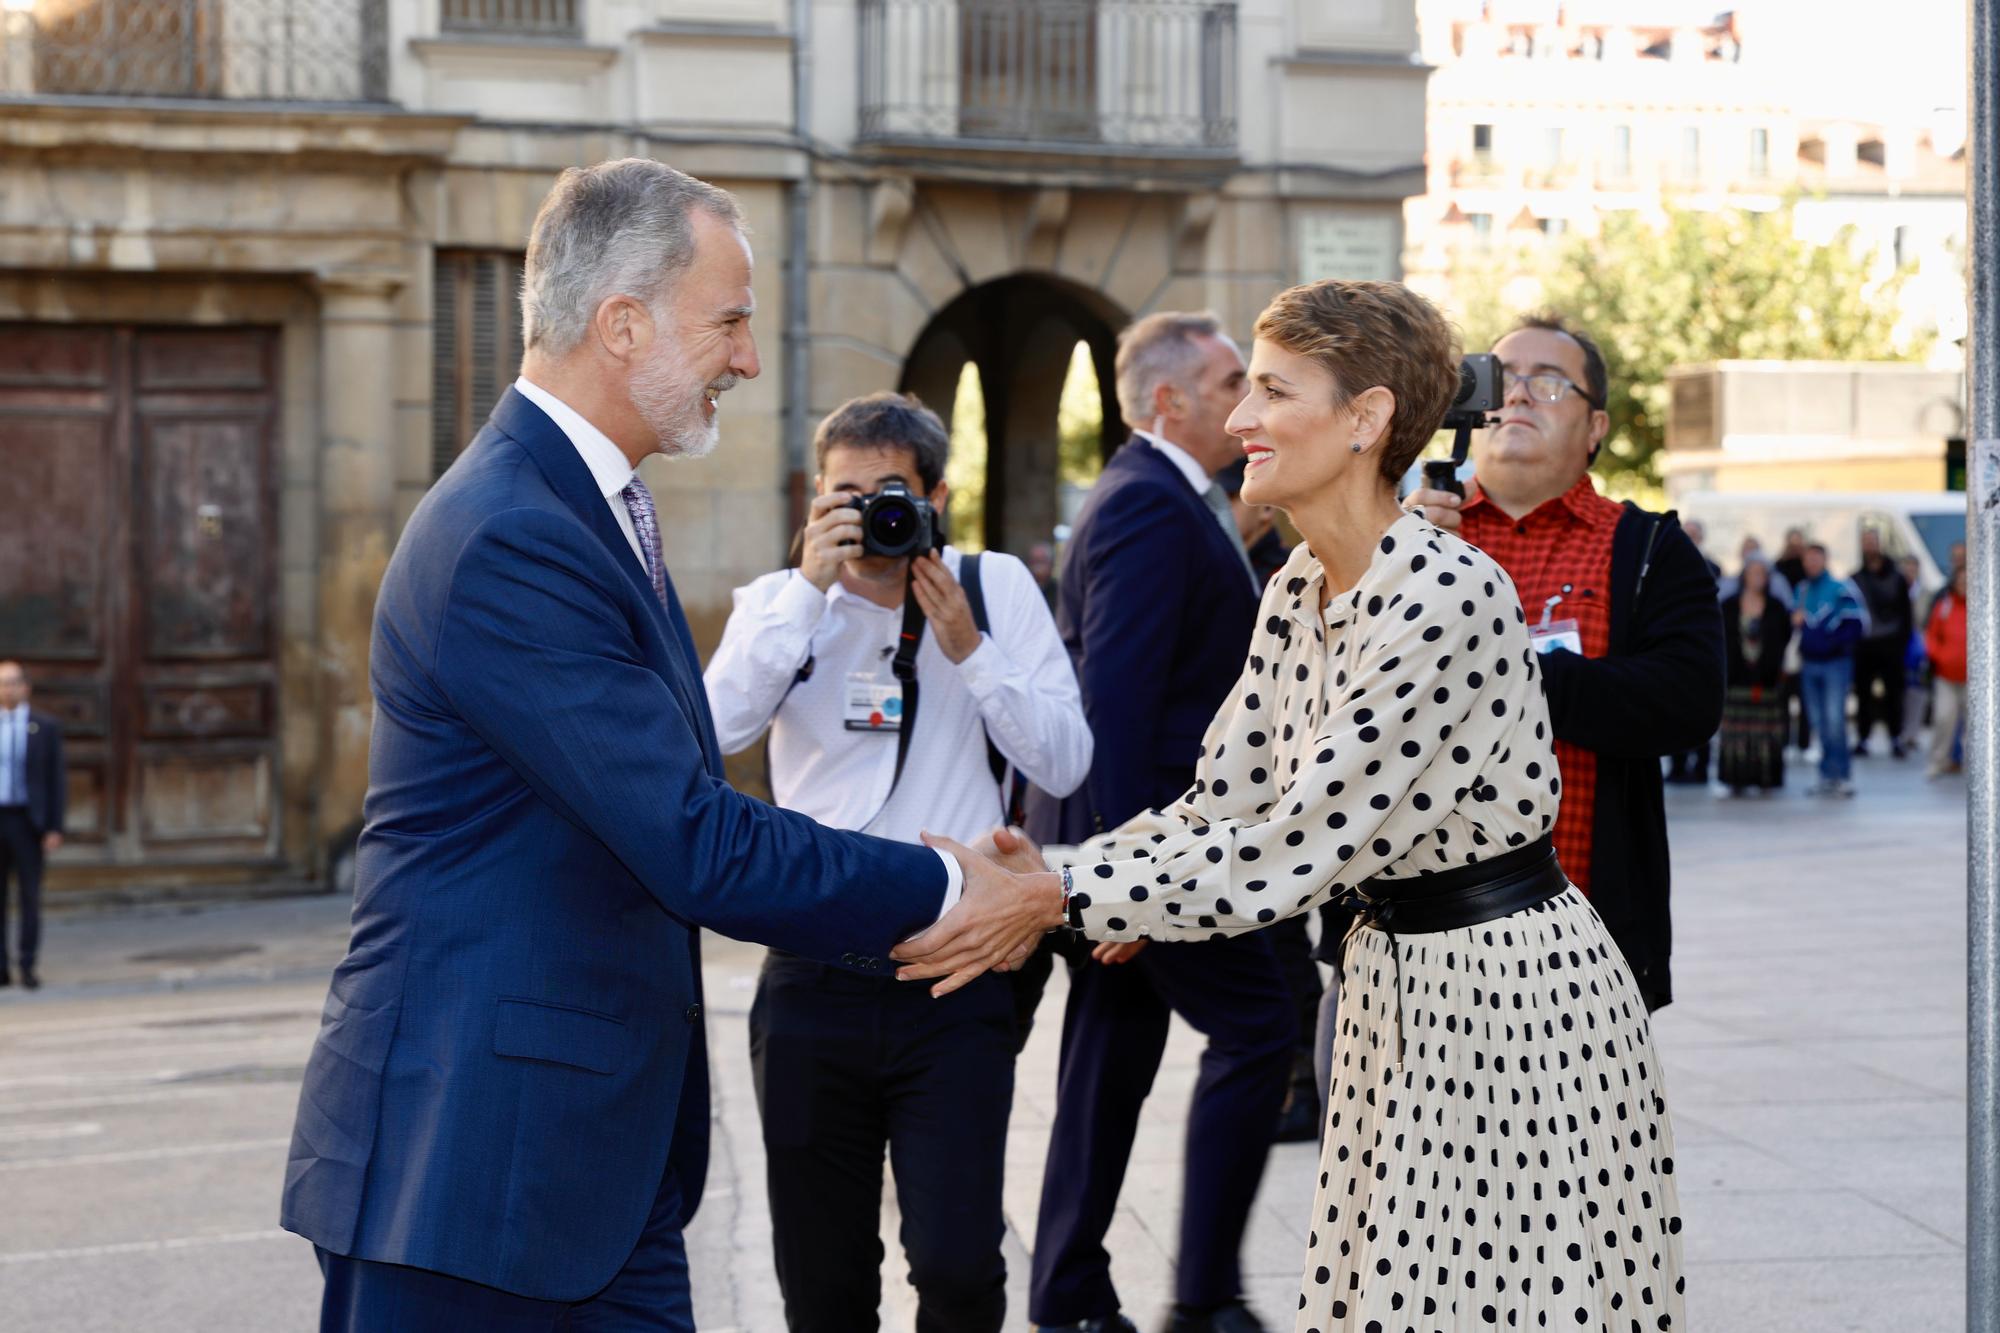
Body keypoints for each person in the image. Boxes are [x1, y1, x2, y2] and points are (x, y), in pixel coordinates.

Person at [279, 160, 1052, 1333]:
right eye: (730, 319)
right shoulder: (512, 536)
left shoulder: (582, 507)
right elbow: (694, 836)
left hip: (584, 1163)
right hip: (473, 1172)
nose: (747, 357)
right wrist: (953, 880)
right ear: (622, 322)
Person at [899, 278, 1686, 1332]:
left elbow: (1288, 848)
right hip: (1389, 985)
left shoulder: (1446, 594)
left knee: (1488, 1304)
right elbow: (1222, 801)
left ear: (1364, 420)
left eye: (1271, 390)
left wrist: (1058, 891)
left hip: (1503, 1000)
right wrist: (1063, 873)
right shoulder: (1294, 586)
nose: (1236, 419)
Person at [703, 392, 1092, 1333]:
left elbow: (1066, 761)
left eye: (890, 494)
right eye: (846, 493)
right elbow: (711, 729)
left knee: (960, 1267)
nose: (871, 514)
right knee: (823, 1281)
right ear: (815, 502)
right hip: (812, 980)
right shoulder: (780, 604)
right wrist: (807, 591)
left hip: (955, 978)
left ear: (936, 497)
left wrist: (969, 650)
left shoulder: (994, 588)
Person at [1021, 311, 1294, 1333]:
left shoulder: (1175, 499)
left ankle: (1067, 1295)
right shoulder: (1144, 504)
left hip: (1142, 842)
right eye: (1233, 383)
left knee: (1109, 1061)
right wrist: (1123, 881)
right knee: (1259, 1025)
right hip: (1150, 841)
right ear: (1168, 401)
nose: (1250, 401)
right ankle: (1204, 1298)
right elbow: (1118, 707)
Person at [1402, 311, 1724, 1012]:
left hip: (1581, 945)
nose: (1516, 396)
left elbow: (1687, 699)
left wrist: (1506, 675)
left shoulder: (1647, 551)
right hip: (1407, 942)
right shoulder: (1407, 538)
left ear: (1597, 428)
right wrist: (1394, 562)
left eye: (1547, 382)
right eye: (1502, 378)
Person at [1218, 455, 1321, 1142]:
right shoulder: (1276, 573)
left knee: (1284, 951)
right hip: (1253, 790)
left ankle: (1306, 1086)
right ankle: (1301, 1084)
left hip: (1288, 801)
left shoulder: (1278, 568)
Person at [0, 661, 64, 990]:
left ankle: (27, 964)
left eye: (12, 683)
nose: (7, 689)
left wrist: (54, 827)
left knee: (29, 896)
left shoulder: (44, 726)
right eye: (2, 683)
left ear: (25, 687)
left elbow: (56, 779)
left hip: (27, 821)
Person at [1794, 542, 1869, 797]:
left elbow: (1857, 624)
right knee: (1818, 722)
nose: (1812, 563)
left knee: (1835, 720)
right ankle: (1826, 775)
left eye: (1816, 558)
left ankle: (1841, 775)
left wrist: (1829, 644)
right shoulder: (1802, 590)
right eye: (1808, 559)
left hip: (1835, 664)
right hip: (1809, 665)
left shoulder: (1841, 589)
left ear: (1825, 560)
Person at [1717, 558, 1792, 794]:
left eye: (1762, 573)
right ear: (1744, 576)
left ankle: (1765, 778)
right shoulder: (1729, 605)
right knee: (1736, 732)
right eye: (1753, 573)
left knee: (1766, 732)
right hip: (1736, 679)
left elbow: (1784, 637)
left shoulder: (1776, 607)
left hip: (1766, 680)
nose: (1757, 577)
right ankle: (1736, 778)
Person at [1850, 529, 1914, 758]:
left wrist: (1901, 644)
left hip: (1890, 645)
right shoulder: (1856, 578)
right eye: (1865, 542)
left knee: (1894, 694)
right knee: (1863, 695)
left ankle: (1896, 737)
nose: (1869, 547)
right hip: (1865, 646)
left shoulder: (1896, 578)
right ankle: (1863, 738)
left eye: (1872, 542)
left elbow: (1907, 615)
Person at [1924, 566, 1968, 779]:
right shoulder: (1945, 606)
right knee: (1943, 719)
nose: (1964, 586)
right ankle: (1938, 761)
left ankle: (1979, 765)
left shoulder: (1985, 606)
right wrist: (1939, 657)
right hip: (1947, 676)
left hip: (1975, 679)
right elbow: (1931, 634)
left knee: (1979, 725)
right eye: (1961, 581)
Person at [1774, 527, 1813, 751]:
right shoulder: (1778, 570)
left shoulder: (1809, 577)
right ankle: (1785, 738)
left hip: (1804, 640)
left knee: (1804, 696)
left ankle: (1804, 742)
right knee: (1783, 695)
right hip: (1784, 640)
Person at [1027, 541, 1061, 613]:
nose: (1038, 567)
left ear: (1051, 564)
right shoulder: (1025, 589)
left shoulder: (1059, 591)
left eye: (1041, 561)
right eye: (1035, 561)